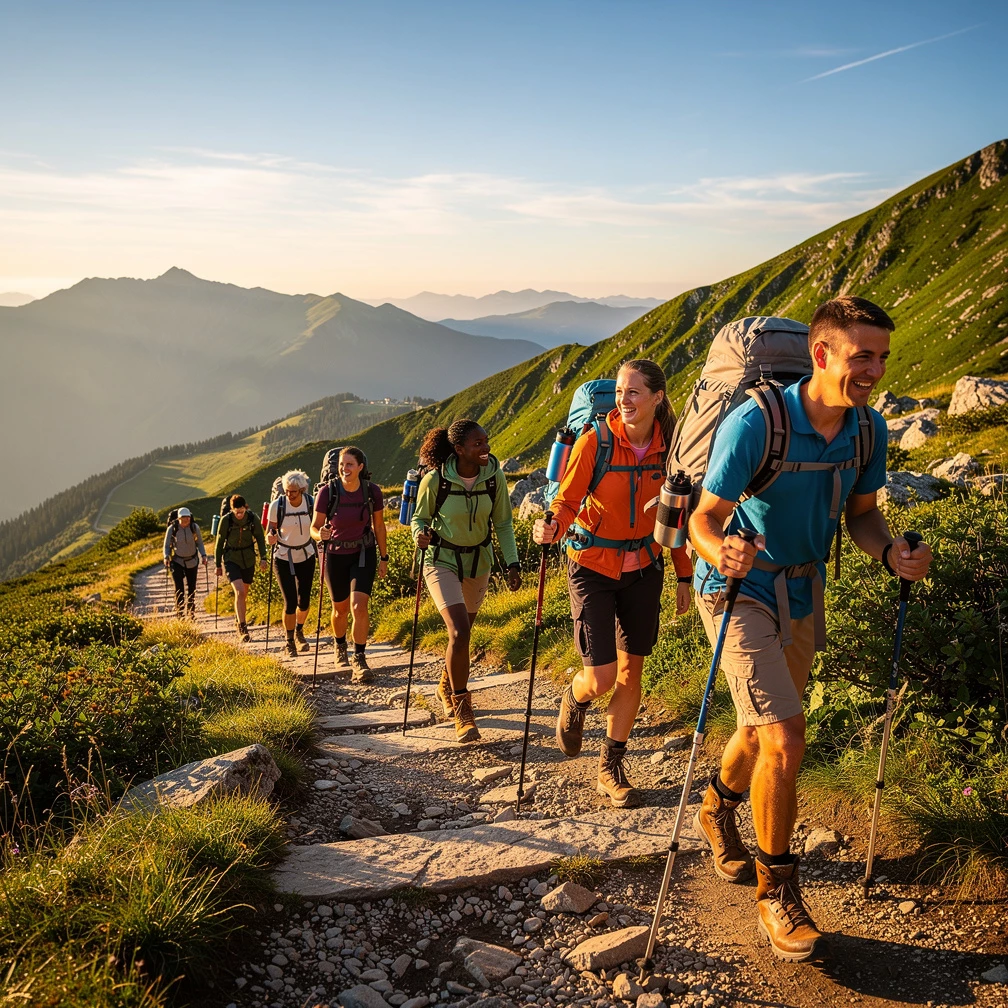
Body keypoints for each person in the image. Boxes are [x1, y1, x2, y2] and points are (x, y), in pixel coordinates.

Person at [687, 296, 932, 961]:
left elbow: (862, 516)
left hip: (802, 589)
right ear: (822, 354)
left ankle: (716, 807)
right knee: (785, 736)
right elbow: (704, 518)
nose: (875, 370)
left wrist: (891, 552)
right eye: (862, 356)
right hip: (737, 591)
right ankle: (777, 892)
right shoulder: (755, 422)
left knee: (758, 728)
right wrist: (721, 551)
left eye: (882, 357)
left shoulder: (867, 430)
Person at [533, 359, 693, 807]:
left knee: (629, 673)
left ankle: (610, 767)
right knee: (600, 678)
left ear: (657, 397)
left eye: (633, 392)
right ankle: (575, 697)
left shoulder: (671, 449)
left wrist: (683, 573)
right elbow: (566, 501)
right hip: (592, 565)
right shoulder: (595, 441)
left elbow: (675, 517)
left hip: (644, 567)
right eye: (620, 391)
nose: (624, 400)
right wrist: (552, 526)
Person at [412, 420, 522, 742]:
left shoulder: (494, 477)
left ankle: (446, 685)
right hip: (441, 560)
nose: (486, 447)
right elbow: (419, 518)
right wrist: (420, 534)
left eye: (486, 441)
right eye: (478, 444)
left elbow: (503, 523)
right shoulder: (435, 480)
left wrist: (512, 563)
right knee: (459, 632)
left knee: (463, 634)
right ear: (459, 449)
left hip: (479, 561)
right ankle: (464, 714)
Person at [311, 447, 387, 683]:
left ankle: (360, 658)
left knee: (358, 606)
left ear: (360, 467)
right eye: (342, 465)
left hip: (363, 552)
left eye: (350, 464)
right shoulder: (327, 492)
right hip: (335, 555)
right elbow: (314, 527)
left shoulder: (372, 492)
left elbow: (379, 526)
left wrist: (384, 557)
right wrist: (320, 535)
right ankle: (340, 645)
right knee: (340, 610)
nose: (344, 469)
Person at [266, 470, 317, 658]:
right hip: (283, 556)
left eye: (293, 491)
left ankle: (299, 630)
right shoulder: (277, 505)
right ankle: (289, 641)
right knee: (290, 602)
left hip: (306, 554)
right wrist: (270, 538)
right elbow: (270, 531)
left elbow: (317, 526)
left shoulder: (311, 503)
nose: (289, 494)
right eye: (287, 490)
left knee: (304, 602)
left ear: (302, 489)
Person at [214, 494, 268, 643]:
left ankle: (239, 619)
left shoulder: (252, 518)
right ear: (232, 510)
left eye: (241, 511)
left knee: (244, 593)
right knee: (239, 591)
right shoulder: (226, 520)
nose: (239, 515)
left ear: (246, 508)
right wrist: (218, 564)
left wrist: (263, 557)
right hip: (231, 559)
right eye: (236, 512)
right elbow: (219, 542)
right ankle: (243, 628)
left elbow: (260, 538)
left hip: (248, 559)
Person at [163, 507, 207, 618]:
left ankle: (191, 612)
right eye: (184, 517)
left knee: (192, 587)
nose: (186, 519)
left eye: (188, 517)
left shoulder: (194, 527)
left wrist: (203, 555)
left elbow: (200, 543)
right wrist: (166, 557)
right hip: (177, 561)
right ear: (179, 518)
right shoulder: (172, 528)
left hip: (192, 561)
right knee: (179, 589)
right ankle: (180, 613)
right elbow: (166, 545)